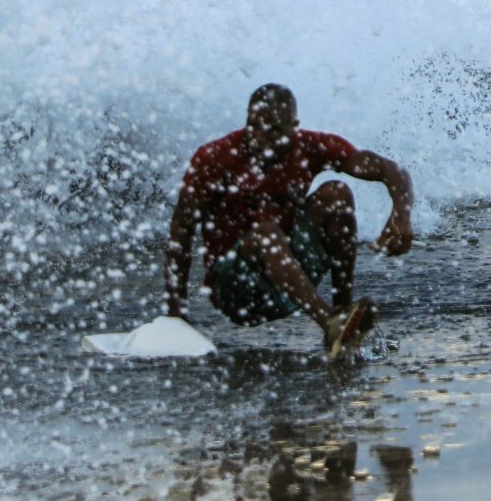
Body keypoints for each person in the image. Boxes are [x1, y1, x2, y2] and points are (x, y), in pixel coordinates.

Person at [164, 83, 415, 350]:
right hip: (237, 292)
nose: (261, 138)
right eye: (253, 126)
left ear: (293, 127)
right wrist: (176, 316)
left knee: (336, 194)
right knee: (266, 233)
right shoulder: (215, 158)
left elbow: (389, 170)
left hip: (288, 281)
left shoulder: (309, 147)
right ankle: (329, 319)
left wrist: (401, 215)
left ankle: (342, 318)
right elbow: (181, 232)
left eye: (273, 131)